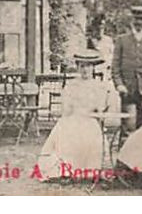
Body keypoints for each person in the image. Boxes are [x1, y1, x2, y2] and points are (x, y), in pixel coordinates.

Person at [36, 51, 118, 182]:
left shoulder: (100, 85)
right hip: (73, 117)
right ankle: (67, 170)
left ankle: (87, 169)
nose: (85, 69)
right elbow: (67, 109)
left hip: (90, 118)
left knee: (90, 131)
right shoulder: (71, 85)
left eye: (88, 66)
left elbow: (101, 108)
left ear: (93, 68)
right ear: (78, 68)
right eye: (82, 66)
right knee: (68, 130)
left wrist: (100, 109)